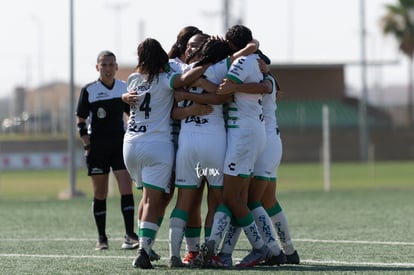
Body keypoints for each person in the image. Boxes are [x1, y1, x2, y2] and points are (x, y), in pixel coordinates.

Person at [123, 38, 210, 269]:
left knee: (144, 197)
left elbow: (128, 100)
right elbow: (185, 79)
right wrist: (208, 61)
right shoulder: (165, 80)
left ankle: (146, 247)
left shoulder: (133, 78)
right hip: (156, 145)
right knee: (153, 200)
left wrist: (123, 97)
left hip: (130, 144)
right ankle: (143, 249)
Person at [196, 25, 271, 268]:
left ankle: (260, 248)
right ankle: (225, 253)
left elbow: (224, 87)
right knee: (238, 198)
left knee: (230, 196)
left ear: (231, 46)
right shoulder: (253, 58)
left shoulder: (241, 63)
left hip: (244, 136)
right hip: (249, 134)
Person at [216, 59, 299, 267]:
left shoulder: (264, 80)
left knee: (248, 201)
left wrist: (233, 85)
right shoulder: (265, 79)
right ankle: (289, 251)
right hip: (271, 141)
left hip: (263, 142)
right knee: (267, 200)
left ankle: (271, 250)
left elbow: (261, 87)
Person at [75, 50, 138, 251]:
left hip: (120, 144)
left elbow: (132, 115)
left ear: (116, 67)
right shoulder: (89, 90)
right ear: (97, 67)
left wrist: (132, 135)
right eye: (104, 65)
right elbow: (81, 121)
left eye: (111, 65)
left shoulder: (124, 88)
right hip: (97, 147)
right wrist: (87, 144)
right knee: (100, 192)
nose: (108, 68)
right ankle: (102, 238)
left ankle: (129, 235)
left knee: (126, 188)